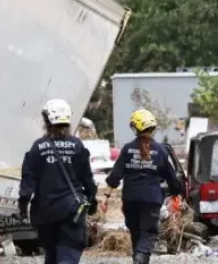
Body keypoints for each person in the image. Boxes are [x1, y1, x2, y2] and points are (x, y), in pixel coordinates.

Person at [18, 98, 98, 264]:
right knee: (69, 250)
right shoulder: (77, 146)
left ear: (47, 121)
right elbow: (87, 178)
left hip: (45, 212)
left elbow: (28, 179)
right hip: (71, 211)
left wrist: (23, 205)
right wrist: (92, 200)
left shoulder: (37, 147)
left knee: (52, 254)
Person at [106, 109, 183, 264]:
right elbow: (171, 176)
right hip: (152, 199)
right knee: (147, 233)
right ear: (152, 128)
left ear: (136, 128)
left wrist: (106, 197)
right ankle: (141, 257)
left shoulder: (127, 149)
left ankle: (139, 257)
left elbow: (115, 176)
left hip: (130, 198)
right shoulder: (160, 150)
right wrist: (176, 192)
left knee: (136, 232)